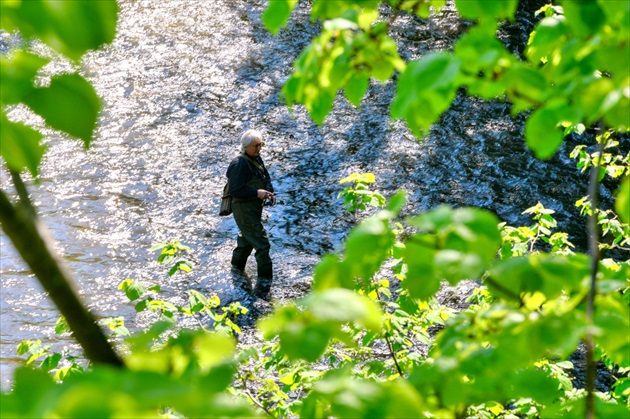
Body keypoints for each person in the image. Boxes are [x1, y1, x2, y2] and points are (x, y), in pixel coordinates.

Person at [226, 129, 275, 300]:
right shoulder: (239, 164)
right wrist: (257, 193)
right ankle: (264, 285)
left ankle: (235, 270)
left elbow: (265, 175)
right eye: (256, 146)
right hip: (243, 209)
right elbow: (236, 190)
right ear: (246, 146)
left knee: (246, 242)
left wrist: (269, 192)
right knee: (262, 245)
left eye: (261, 145)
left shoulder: (256, 158)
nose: (259, 148)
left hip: (253, 208)